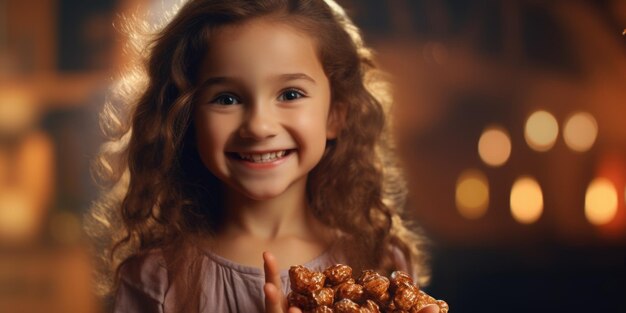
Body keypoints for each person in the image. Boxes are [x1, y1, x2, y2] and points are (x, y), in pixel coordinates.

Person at [87, 0, 436, 312]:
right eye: (226, 99)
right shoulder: (155, 281)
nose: (258, 126)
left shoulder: (382, 263)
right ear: (187, 119)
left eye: (290, 93)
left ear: (335, 115)